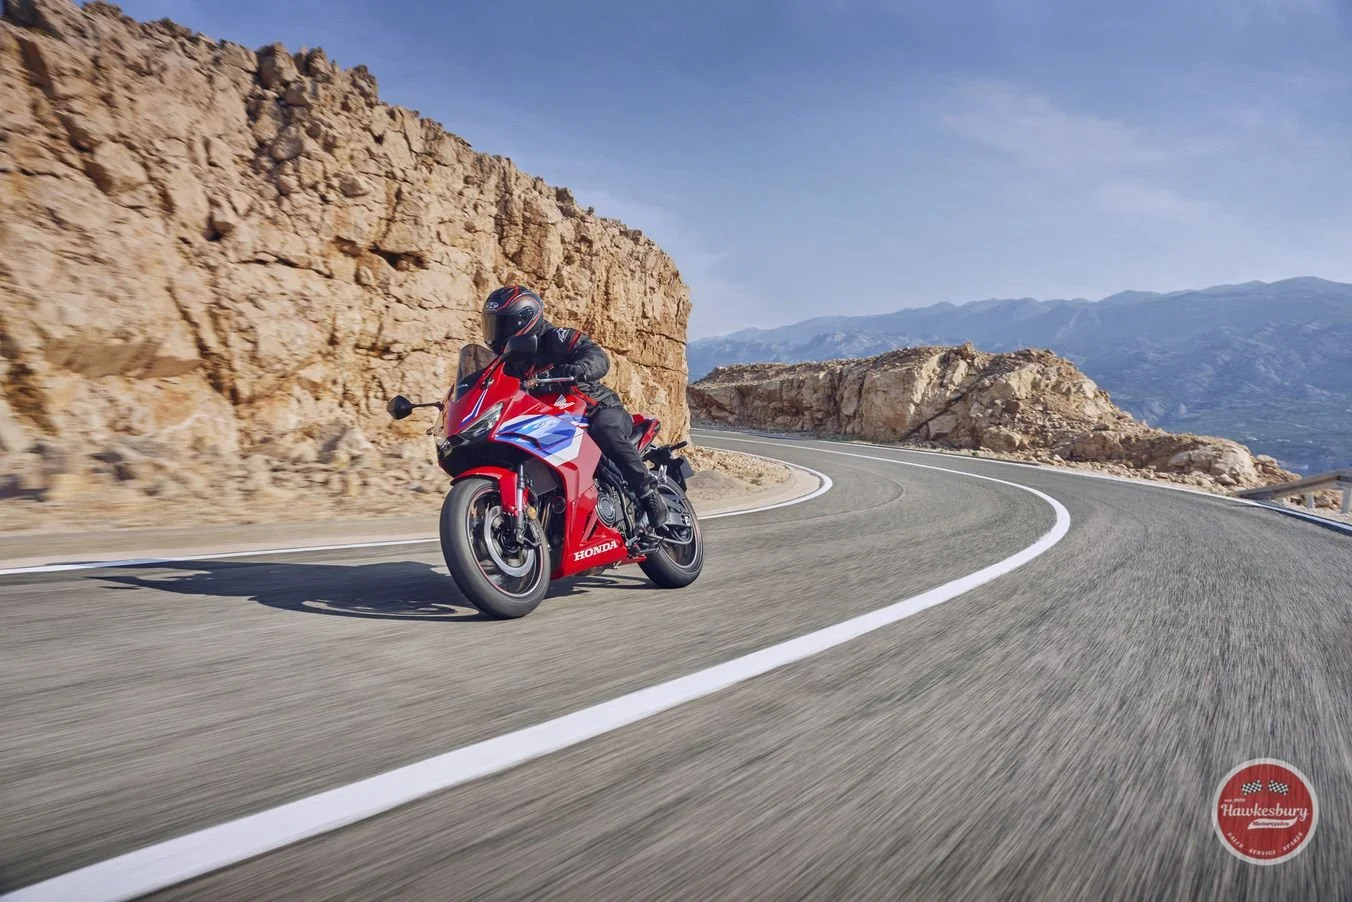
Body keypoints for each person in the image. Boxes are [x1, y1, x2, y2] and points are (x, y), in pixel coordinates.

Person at [478, 285, 669, 533]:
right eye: (491, 325)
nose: (496, 333)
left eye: (502, 325)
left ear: (523, 321)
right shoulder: (507, 363)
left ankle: (648, 494)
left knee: (605, 428)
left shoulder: (555, 338)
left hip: (595, 409)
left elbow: (595, 355)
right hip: (553, 421)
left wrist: (581, 368)